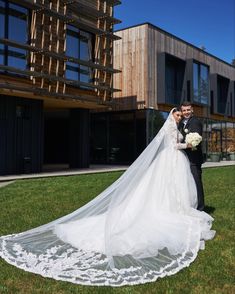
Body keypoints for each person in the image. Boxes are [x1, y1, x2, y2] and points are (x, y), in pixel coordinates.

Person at [0, 108, 215, 287]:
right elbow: (170, 144)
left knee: (175, 187)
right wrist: (186, 145)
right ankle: (169, 209)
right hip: (171, 158)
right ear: (172, 116)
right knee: (163, 188)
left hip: (177, 162)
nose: (179, 117)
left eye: (180, 115)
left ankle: (177, 207)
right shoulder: (169, 127)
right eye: (177, 115)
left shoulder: (179, 126)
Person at [178, 102, 205, 211]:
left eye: (188, 110)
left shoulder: (196, 122)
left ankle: (201, 207)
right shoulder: (180, 123)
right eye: (184, 110)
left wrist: (187, 143)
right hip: (184, 158)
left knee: (196, 182)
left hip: (194, 158)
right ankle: (191, 205)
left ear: (192, 110)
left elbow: (196, 139)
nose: (186, 112)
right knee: (188, 183)